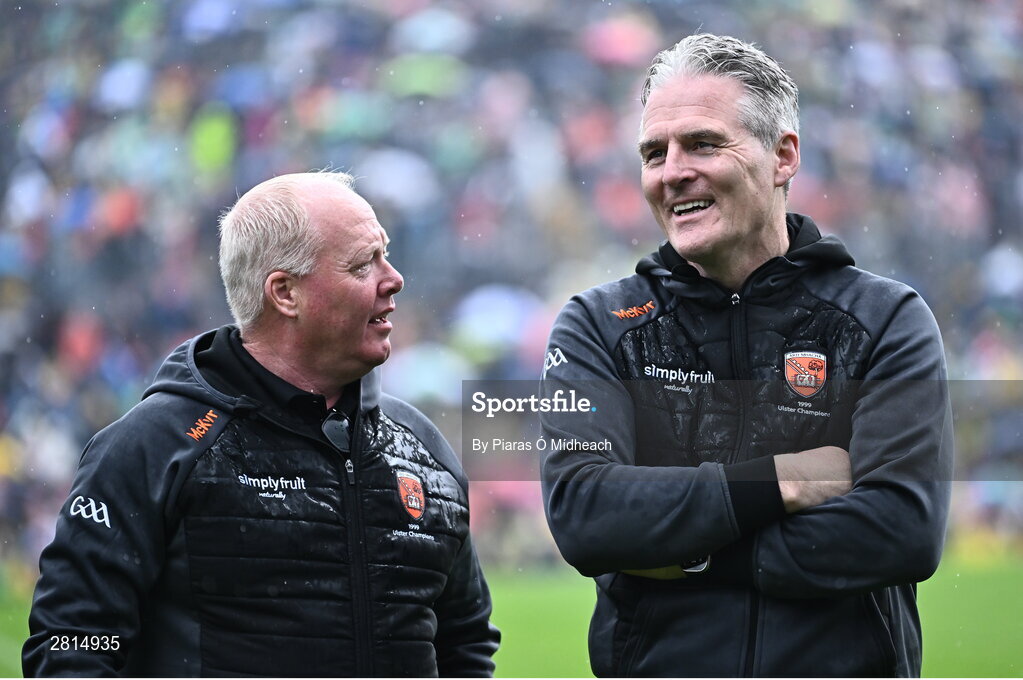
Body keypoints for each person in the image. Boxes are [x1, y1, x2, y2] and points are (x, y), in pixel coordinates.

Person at [539, 33, 952, 677]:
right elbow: (585, 515)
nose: (673, 172)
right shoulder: (598, 326)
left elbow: (902, 529)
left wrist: (690, 552)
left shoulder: (884, 320)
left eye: (703, 144)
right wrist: (784, 482)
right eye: (654, 153)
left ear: (783, 156)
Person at [23, 171, 500, 676]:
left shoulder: (422, 447)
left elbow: (465, 646)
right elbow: (71, 645)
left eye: (386, 254)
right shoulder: (153, 447)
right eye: (364, 264)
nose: (394, 278)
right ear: (285, 293)